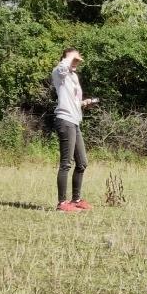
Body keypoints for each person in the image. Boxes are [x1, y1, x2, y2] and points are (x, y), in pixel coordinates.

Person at [51, 48, 97, 212]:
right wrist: (70, 57)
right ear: (65, 58)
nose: (77, 61)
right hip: (64, 121)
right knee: (66, 163)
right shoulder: (59, 72)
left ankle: (76, 200)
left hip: (75, 121)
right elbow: (62, 67)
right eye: (74, 58)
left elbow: (74, 101)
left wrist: (85, 103)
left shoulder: (73, 77)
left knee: (82, 163)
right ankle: (62, 204)